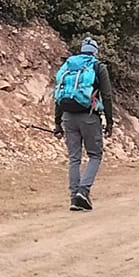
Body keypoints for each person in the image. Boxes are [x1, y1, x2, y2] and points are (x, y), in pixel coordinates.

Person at [52, 35, 117, 211]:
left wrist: (57, 123)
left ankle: (74, 198)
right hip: (89, 116)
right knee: (95, 155)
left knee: (74, 158)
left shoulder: (68, 66)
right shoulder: (98, 66)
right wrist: (109, 122)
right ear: (95, 52)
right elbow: (107, 95)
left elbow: (58, 94)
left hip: (67, 116)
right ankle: (83, 190)